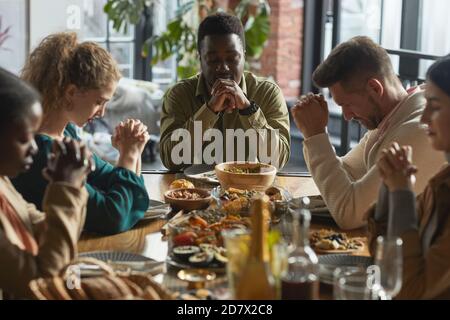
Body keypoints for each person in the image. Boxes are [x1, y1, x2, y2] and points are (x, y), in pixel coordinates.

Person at [291, 36, 445, 230]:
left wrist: (315, 136)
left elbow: (350, 213)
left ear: (374, 88)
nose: (346, 116)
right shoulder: (393, 116)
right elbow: (346, 174)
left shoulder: (420, 132)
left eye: (348, 104)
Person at [12, 32, 150, 235]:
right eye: (99, 101)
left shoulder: (66, 133)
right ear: (71, 93)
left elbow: (114, 181)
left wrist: (133, 149)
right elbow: (112, 216)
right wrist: (128, 154)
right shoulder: (43, 151)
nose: (102, 112)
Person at [0, 67, 90, 298]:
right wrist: (64, 189)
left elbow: (44, 229)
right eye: (23, 139)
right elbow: (42, 284)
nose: (35, 147)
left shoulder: (3, 183)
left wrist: (73, 184)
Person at [159, 12, 291, 171]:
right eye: (213, 60)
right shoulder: (179, 95)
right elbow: (170, 160)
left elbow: (278, 160)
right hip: (195, 192)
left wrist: (247, 109)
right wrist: (209, 110)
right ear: (200, 58)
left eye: (232, 58)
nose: (223, 67)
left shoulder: (267, 93)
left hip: (250, 191)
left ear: (243, 56)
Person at [368, 55, 450, 299]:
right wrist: (389, 183)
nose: (424, 119)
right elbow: (384, 259)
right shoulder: (442, 182)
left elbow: (409, 291)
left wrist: (401, 192)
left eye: (434, 107)